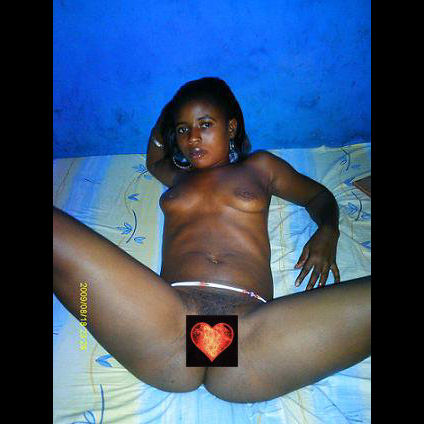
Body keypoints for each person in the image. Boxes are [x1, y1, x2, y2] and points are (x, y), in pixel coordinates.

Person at [53, 77, 370, 403]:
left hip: (252, 332)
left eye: (205, 124)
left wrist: (328, 231)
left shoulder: (261, 167)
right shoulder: (179, 177)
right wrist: (167, 118)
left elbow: (317, 196)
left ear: (231, 128)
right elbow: (154, 160)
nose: (192, 138)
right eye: (183, 129)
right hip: (167, 321)